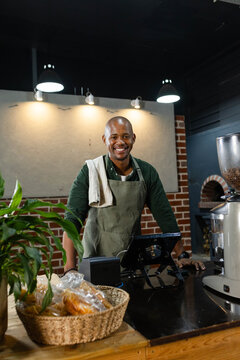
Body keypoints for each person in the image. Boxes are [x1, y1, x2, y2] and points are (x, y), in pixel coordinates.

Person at [63, 116, 205, 274]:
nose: (120, 142)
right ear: (104, 139)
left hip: (133, 261)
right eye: (114, 137)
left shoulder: (147, 172)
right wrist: (69, 268)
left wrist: (182, 255)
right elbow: (71, 222)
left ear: (133, 138)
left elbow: (165, 215)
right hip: (95, 260)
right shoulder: (90, 171)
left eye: (125, 136)